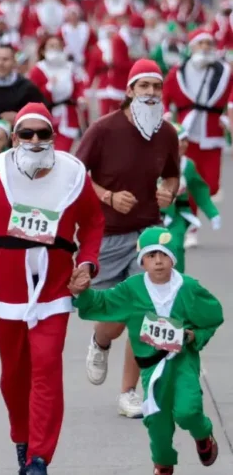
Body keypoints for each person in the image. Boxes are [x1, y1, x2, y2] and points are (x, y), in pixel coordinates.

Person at [0, 102, 105, 475]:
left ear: (54, 137)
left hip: (54, 289)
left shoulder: (73, 172)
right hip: (6, 291)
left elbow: (92, 221)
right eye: (27, 133)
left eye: (44, 134)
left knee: (46, 368)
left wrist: (87, 263)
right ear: (14, 137)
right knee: (13, 376)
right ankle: (22, 439)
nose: (36, 141)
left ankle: (40, 457)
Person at [70, 226, 223, 475]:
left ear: (173, 258)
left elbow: (213, 315)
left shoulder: (188, 288)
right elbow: (103, 303)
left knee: (188, 410)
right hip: (151, 367)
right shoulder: (132, 289)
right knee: (157, 423)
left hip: (182, 361)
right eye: (151, 256)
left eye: (164, 255)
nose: (159, 262)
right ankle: (163, 464)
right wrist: (82, 294)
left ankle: (203, 433)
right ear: (142, 260)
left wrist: (196, 335)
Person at [75, 59, 179, 418]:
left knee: (142, 313)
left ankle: (128, 393)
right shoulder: (103, 129)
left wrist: (169, 191)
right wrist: (108, 197)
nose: (150, 93)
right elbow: (77, 175)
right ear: (130, 90)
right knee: (114, 318)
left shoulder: (167, 133)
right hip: (107, 235)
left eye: (156, 87)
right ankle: (100, 340)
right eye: (143, 86)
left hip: (148, 235)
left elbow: (172, 177)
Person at [163, 28, 233, 249]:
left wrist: (229, 114)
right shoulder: (177, 73)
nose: (205, 48)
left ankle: (191, 215)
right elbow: (166, 97)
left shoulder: (225, 72)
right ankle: (190, 227)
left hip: (212, 135)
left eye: (209, 44)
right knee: (188, 181)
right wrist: (165, 116)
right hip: (186, 135)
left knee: (210, 186)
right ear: (192, 47)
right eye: (201, 44)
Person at [161, 122, 220, 273]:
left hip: (178, 215)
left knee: (177, 246)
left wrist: (212, 213)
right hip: (154, 216)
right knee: (153, 250)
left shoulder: (188, 165)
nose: (182, 144)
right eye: (177, 140)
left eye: (185, 140)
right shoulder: (153, 163)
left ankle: (178, 281)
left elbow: (199, 190)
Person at [0, 44, 47, 148]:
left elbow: (42, 112)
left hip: (20, 148)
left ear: (14, 62)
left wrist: (19, 117)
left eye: (5, 59)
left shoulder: (27, 88)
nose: (0, 63)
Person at [30, 35, 88, 153]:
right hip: (46, 116)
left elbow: (78, 85)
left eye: (58, 46)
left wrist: (80, 97)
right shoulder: (38, 70)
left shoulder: (69, 67)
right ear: (43, 50)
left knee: (62, 152)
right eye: (51, 46)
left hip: (67, 116)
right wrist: (48, 87)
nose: (55, 49)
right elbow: (33, 94)